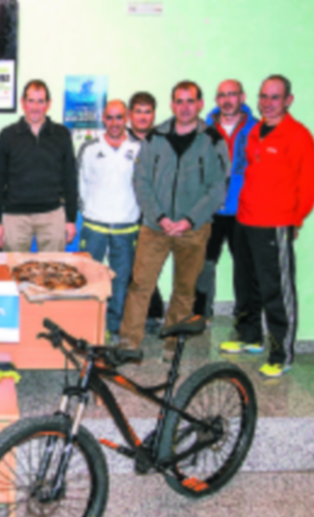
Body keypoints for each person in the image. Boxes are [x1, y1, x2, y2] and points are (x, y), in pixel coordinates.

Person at [220, 75, 314, 379]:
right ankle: (250, 336)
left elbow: (309, 185)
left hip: (274, 224)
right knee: (246, 285)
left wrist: (294, 220)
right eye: (264, 96)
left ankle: (281, 354)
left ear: (288, 100)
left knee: (276, 291)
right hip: (245, 219)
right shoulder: (254, 132)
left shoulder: (298, 135)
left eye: (275, 97)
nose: (268, 103)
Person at [120, 80, 228, 358]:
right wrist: (159, 216)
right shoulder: (155, 138)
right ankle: (128, 342)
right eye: (179, 101)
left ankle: (172, 344)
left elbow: (218, 188)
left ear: (200, 104)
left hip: (194, 230)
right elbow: (141, 181)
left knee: (184, 289)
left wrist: (190, 219)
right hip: (155, 227)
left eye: (190, 101)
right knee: (140, 285)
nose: (185, 107)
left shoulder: (213, 140)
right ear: (172, 105)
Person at [77, 100, 142, 343]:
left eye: (119, 117)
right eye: (110, 117)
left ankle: (114, 328)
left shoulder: (138, 148)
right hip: (94, 225)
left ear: (126, 119)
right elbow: (80, 183)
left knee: (121, 279)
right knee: (88, 277)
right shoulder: (89, 148)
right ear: (103, 119)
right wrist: (90, 210)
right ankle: (87, 324)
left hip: (126, 225)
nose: (115, 123)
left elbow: (143, 186)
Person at [194, 80, 258, 318]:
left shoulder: (257, 129)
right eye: (222, 95)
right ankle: (200, 315)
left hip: (244, 211)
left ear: (243, 97)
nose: (227, 100)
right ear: (216, 99)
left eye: (232, 94)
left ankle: (246, 319)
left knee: (245, 267)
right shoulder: (203, 130)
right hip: (209, 211)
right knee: (203, 265)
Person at [0, 80, 77, 251]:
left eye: (40, 101)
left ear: (48, 104)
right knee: (14, 266)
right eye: (31, 101)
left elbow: (70, 178)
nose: (35, 107)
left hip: (52, 214)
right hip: (15, 217)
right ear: (23, 102)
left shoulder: (61, 135)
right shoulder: (7, 135)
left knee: (53, 267)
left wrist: (71, 219)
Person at [128, 91, 165, 330]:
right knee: (131, 266)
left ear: (154, 115)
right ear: (130, 114)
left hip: (154, 213)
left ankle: (153, 313)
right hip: (126, 212)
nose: (143, 117)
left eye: (147, 112)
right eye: (138, 111)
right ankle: (133, 314)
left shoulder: (163, 141)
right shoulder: (120, 139)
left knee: (148, 266)